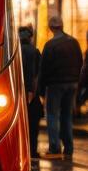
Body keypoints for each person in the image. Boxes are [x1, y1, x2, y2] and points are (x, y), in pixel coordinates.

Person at [38, 14, 83, 159]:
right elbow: (80, 62)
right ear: (62, 26)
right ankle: (69, 148)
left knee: (52, 115)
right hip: (72, 84)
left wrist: (41, 90)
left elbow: (43, 69)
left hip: (55, 85)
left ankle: (55, 147)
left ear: (51, 28)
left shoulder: (50, 45)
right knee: (66, 116)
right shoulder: (74, 42)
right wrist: (77, 81)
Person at [19, 24, 41, 159]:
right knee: (33, 124)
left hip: (21, 92)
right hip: (32, 92)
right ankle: (32, 150)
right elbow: (37, 72)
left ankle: (23, 150)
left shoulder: (17, 51)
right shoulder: (35, 51)